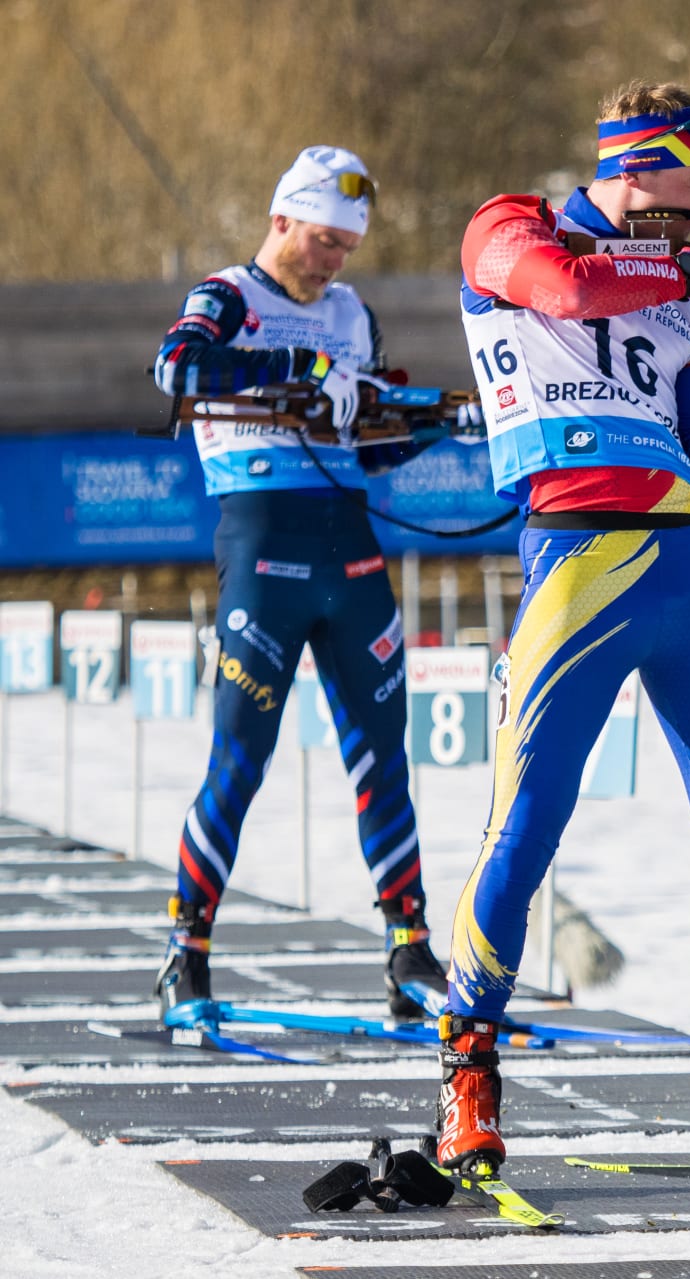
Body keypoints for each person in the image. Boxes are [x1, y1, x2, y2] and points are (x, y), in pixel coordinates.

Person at [435, 80, 690, 1173]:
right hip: (575, 556)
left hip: (686, 558)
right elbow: (569, 290)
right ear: (636, 164)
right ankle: (469, 1075)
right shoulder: (510, 225)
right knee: (525, 826)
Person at [151, 146, 448, 1020]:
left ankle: (410, 951)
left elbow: (373, 441)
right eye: (322, 239)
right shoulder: (229, 296)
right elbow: (175, 369)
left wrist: (443, 423)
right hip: (263, 542)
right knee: (240, 758)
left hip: (349, 548)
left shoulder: (354, 312)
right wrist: (297, 370)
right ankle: (186, 955)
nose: (333, 260)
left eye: (345, 247)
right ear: (282, 219)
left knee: (383, 757)